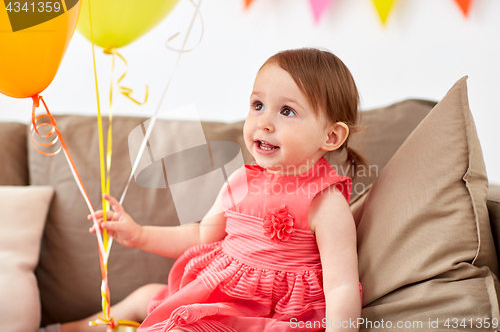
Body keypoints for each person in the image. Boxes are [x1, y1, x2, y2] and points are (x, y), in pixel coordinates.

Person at [54, 47, 366, 332]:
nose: (264, 122)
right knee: (145, 297)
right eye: (258, 105)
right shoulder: (241, 181)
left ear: (332, 136)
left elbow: (342, 287)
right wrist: (139, 234)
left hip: (271, 316)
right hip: (221, 295)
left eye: (287, 111)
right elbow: (201, 236)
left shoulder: (325, 202)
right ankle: (70, 329)